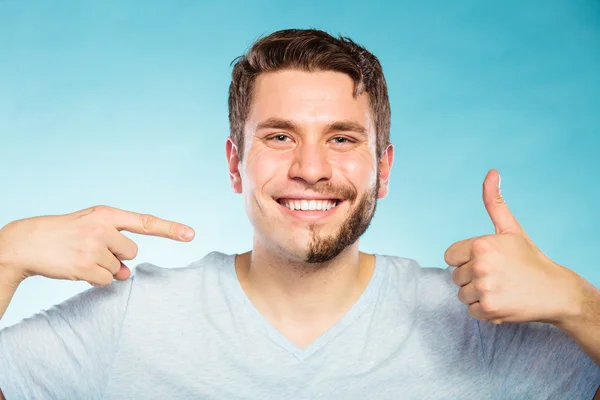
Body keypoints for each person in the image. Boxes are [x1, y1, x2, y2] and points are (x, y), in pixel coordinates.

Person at [0, 28, 598, 400]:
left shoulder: (477, 328)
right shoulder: (127, 322)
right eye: (280, 137)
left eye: (341, 139)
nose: (311, 168)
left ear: (384, 169)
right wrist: (7, 257)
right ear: (235, 164)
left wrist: (578, 303)